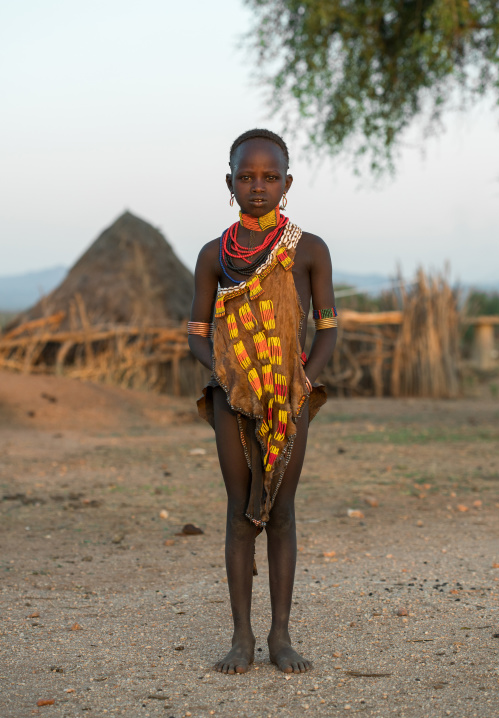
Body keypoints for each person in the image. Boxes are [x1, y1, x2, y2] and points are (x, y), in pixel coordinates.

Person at [188, 129, 337, 674]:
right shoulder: (214, 255)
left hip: (287, 398)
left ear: (287, 183)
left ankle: (280, 637)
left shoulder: (308, 250)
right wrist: (227, 375)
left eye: (269, 177)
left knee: (282, 513)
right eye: (246, 177)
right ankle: (241, 638)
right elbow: (197, 333)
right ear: (229, 184)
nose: (258, 186)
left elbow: (327, 330)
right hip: (232, 398)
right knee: (238, 513)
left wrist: (301, 382)